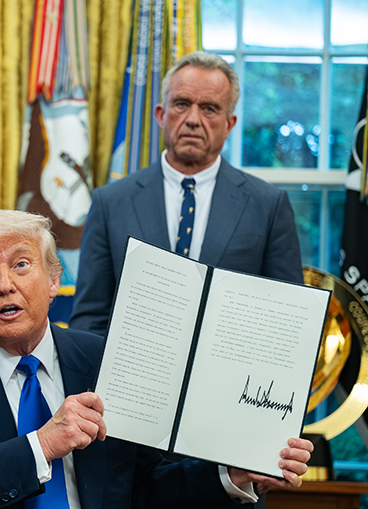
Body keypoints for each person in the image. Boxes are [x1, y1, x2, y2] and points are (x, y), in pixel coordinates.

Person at [0, 209, 312, 509]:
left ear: (53, 281)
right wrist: (41, 446)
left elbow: (139, 491)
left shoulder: (108, 360)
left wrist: (232, 473)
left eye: (22, 264)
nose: (5, 284)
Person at [70, 51, 303, 337]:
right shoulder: (111, 202)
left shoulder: (268, 206)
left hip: (227, 379)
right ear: (161, 114)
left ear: (229, 124)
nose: (193, 119)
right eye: (182, 104)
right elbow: (90, 320)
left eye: (209, 108)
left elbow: (285, 319)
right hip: (134, 377)